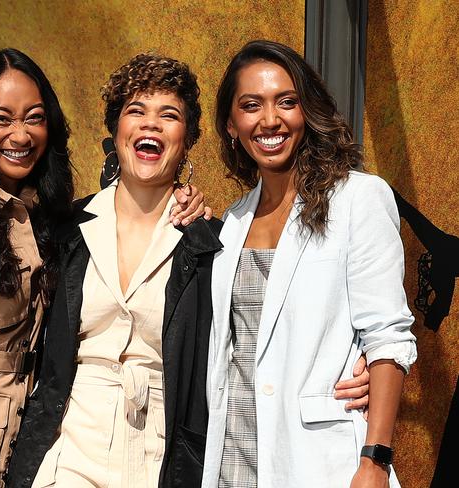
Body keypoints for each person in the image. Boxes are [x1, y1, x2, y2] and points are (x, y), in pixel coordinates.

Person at [0, 48, 206, 488]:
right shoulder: (10, 225)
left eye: (33, 117)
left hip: (72, 455)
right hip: (18, 458)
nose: (19, 134)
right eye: (0, 118)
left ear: (188, 138)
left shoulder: (201, 243)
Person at [202, 40, 417, 488]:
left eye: (286, 101)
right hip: (232, 458)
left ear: (308, 111)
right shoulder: (232, 221)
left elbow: (388, 336)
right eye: (251, 105)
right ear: (230, 124)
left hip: (322, 461)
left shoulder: (358, 197)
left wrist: (374, 460)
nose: (270, 120)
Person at [6, 52, 223, 488]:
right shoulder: (66, 229)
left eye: (169, 115)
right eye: (135, 111)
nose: (150, 124)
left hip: (160, 451)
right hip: (71, 442)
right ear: (116, 128)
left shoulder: (209, 243)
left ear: (188, 138)